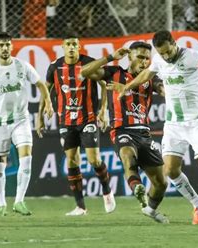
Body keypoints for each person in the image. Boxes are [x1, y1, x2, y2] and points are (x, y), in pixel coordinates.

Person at [110, 30, 198, 220]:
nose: (166, 56)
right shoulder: (160, 60)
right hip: (174, 124)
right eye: (162, 53)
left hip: (197, 121)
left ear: (174, 43)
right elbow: (146, 74)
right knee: (170, 170)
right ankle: (196, 205)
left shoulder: (191, 56)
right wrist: (127, 88)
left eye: (168, 52)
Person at [80, 42, 170, 223]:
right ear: (130, 57)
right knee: (128, 156)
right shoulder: (115, 74)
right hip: (122, 130)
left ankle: (150, 209)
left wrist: (170, 90)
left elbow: (165, 90)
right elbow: (84, 72)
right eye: (140, 57)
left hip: (144, 133)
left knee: (161, 183)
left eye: (147, 58)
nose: (144, 62)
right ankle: (138, 189)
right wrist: (111, 57)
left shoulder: (151, 79)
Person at [37, 34, 116, 216]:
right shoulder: (55, 67)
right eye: (68, 44)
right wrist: (40, 116)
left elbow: (104, 85)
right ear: (62, 47)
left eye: (74, 44)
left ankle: (106, 191)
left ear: (79, 46)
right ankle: (81, 206)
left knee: (93, 159)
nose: (71, 47)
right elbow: (46, 91)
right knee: (72, 160)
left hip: (88, 118)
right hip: (66, 120)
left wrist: (102, 110)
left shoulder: (89, 63)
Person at [0, 32, 54, 217]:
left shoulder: (22, 66)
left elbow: (41, 85)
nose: (4, 48)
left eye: (7, 44)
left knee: (26, 155)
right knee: (0, 161)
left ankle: (19, 201)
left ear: (12, 47)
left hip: (21, 119)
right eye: (1, 45)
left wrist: (48, 102)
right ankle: (1, 204)